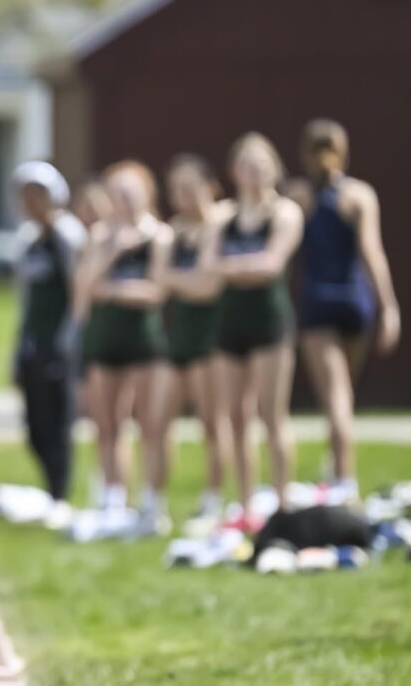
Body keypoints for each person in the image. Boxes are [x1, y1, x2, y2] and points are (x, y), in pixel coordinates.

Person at [292, 119, 399, 503]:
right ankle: (334, 466)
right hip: (356, 302)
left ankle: (343, 480)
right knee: (344, 393)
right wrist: (389, 306)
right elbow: (373, 253)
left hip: (319, 303)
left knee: (335, 396)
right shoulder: (359, 195)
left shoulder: (298, 196)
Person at [210, 133, 304, 531]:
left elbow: (272, 264)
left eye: (261, 164)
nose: (254, 172)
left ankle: (282, 505)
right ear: (234, 171)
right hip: (230, 322)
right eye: (246, 165)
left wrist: (232, 268)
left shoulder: (285, 212)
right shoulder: (223, 216)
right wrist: (243, 267)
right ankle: (245, 506)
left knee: (272, 416)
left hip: (269, 322)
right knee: (236, 417)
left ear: (275, 168)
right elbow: (208, 266)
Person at [75, 160, 173, 538]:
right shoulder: (102, 236)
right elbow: (84, 289)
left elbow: (156, 290)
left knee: (150, 424)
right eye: (118, 194)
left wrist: (113, 290)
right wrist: (113, 253)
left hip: (144, 341)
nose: (125, 200)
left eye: (132, 193)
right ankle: (113, 499)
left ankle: (152, 501)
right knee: (108, 425)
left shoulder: (158, 235)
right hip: (106, 339)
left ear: (146, 194)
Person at [8, 161, 86, 530]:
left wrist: (69, 340)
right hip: (33, 344)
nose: (30, 202)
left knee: (58, 423)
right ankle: (49, 489)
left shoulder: (67, 237)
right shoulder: (26, 241)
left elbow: (77, 292)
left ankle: (60, 493)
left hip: (60, 346)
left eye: (36, 194)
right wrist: (18, 350)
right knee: (35, 425)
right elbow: (25, 301)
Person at [160, 155, 232, 534]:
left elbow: (208, 286)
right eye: (176, 189)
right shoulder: (176, 229)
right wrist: (181, 279)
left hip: (212, 336)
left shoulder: (222, 222)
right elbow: (157, 279)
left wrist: (174, 278)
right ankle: (153, 501)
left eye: (189, 187)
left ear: (210, 186)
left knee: (211, 422)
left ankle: (214, 498)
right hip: (181, 334)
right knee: (158, 421)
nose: (182, 196)